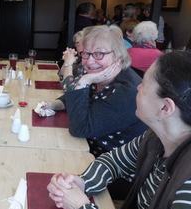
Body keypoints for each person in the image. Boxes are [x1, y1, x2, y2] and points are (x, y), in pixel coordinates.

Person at [47, 51, 191, 209]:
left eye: (144, 84)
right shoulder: (155, 138)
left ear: (165, 107)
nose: (138, 87)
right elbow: (113, 161)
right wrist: (82, 182)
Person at [45, 25, 147, 156]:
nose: (90, 61)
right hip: (84, 148)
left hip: (108, 164)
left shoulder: (128, 92)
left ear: (117, 56)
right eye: (86, 53)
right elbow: (73, 97)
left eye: (99, 54)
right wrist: (53, 105)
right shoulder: (100, 76)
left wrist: (84, 81)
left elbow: (79, 128)